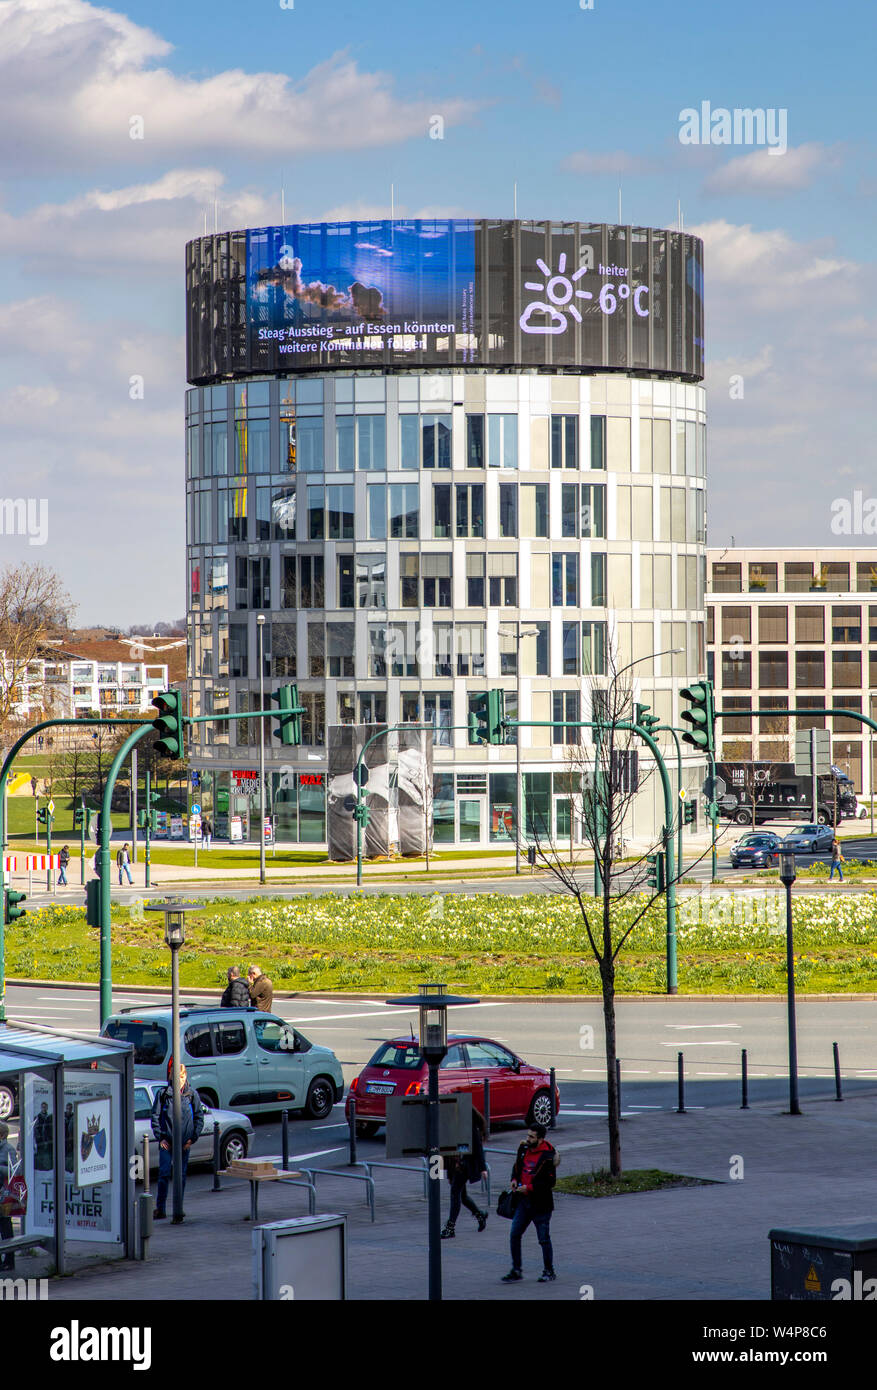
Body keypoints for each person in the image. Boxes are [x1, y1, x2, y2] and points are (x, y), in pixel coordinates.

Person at [502, 1122, 560, 1284]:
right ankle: (516, 1269)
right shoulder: (523, 1149)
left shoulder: (548, 1156)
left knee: (543, 1239)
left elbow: (550, 1183)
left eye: (531, 1137)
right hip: (523, 1202)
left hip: (540, 1204)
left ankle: (549, 1270)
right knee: (514, 1234)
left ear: (540, 1139)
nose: (528, 1139)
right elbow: (517, 1168)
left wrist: (529, 1187)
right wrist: (514, 1180)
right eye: (528, 1135)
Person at [151, 1060, 205, 1220]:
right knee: (164, 1174)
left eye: (181, 1077)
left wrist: (192, 1139)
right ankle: (160, 1208)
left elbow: (199, 1118)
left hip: (184, 1143)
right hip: (167, 1142)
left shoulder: (191, 1094)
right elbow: (155, 1116)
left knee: (180, 1175)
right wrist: (160, 1137)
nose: (178, 1081)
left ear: (185, 1076)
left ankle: (178, 1208)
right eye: (175, 1077)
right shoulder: (163, 1094)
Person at [441, 1113, 488, 1239]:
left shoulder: (468, 1125)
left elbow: (477, 1148)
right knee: (462, 1195)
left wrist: (483, 1168)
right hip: (455, 1165)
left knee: (455, 1193)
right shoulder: (452, 1124)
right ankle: (480, 1215)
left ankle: (450, 1228)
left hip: (464, 1166)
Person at [0, 1121, 20, 1271]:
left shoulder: (8, 1149)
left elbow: (14, 1172)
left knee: (6, 1228)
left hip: (4, 1194)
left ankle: (9, 1260)